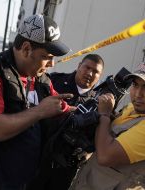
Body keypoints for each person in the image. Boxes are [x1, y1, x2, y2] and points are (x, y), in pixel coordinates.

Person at [0, 14, 72, 190]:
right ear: (26, 48)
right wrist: (39, 111)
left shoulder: (41, 79)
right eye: (47, 56)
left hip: (25, 179)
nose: (51, 64)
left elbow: (60, 108)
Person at [69, 59, 145, 190]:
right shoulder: (132, 109)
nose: (138, 94)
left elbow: (105, 156)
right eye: (135, 85)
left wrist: (104, 115)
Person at [26, 54, 104, 190]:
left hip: (65, 168)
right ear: (79, 66)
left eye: (96, 71)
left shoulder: (99, 104)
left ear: (100, 76)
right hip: (38, 156)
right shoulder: (54, 81)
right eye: (87, 67)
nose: (90, 73)